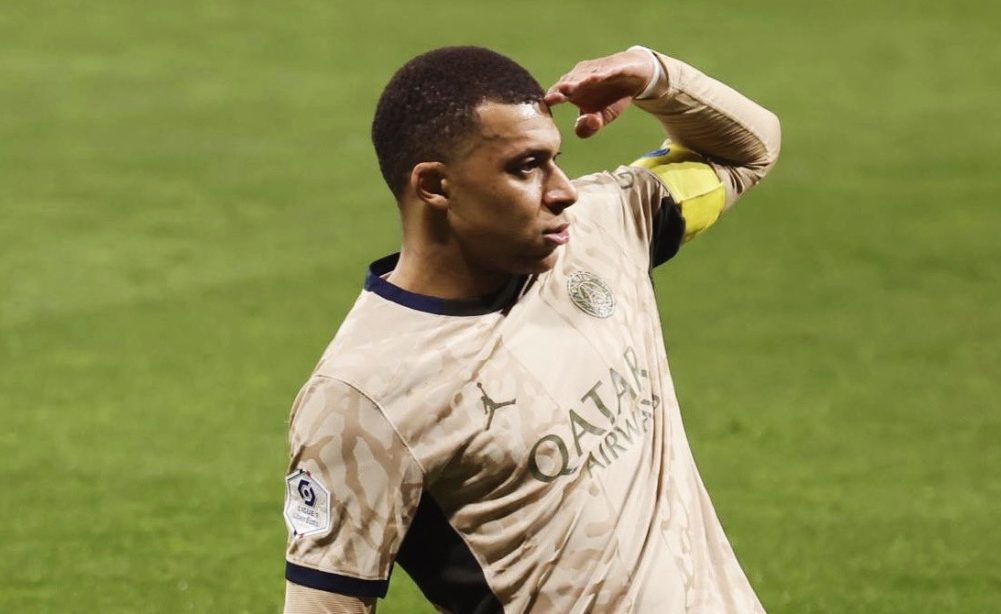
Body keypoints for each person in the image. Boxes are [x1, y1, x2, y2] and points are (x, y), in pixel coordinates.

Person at [281, 44, 781, 613]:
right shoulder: (363, 397)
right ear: (436, 186)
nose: (564, 190)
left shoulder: (603, 229)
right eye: (526, 166)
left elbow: (748, 153)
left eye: (555, 158)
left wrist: (658, 76)